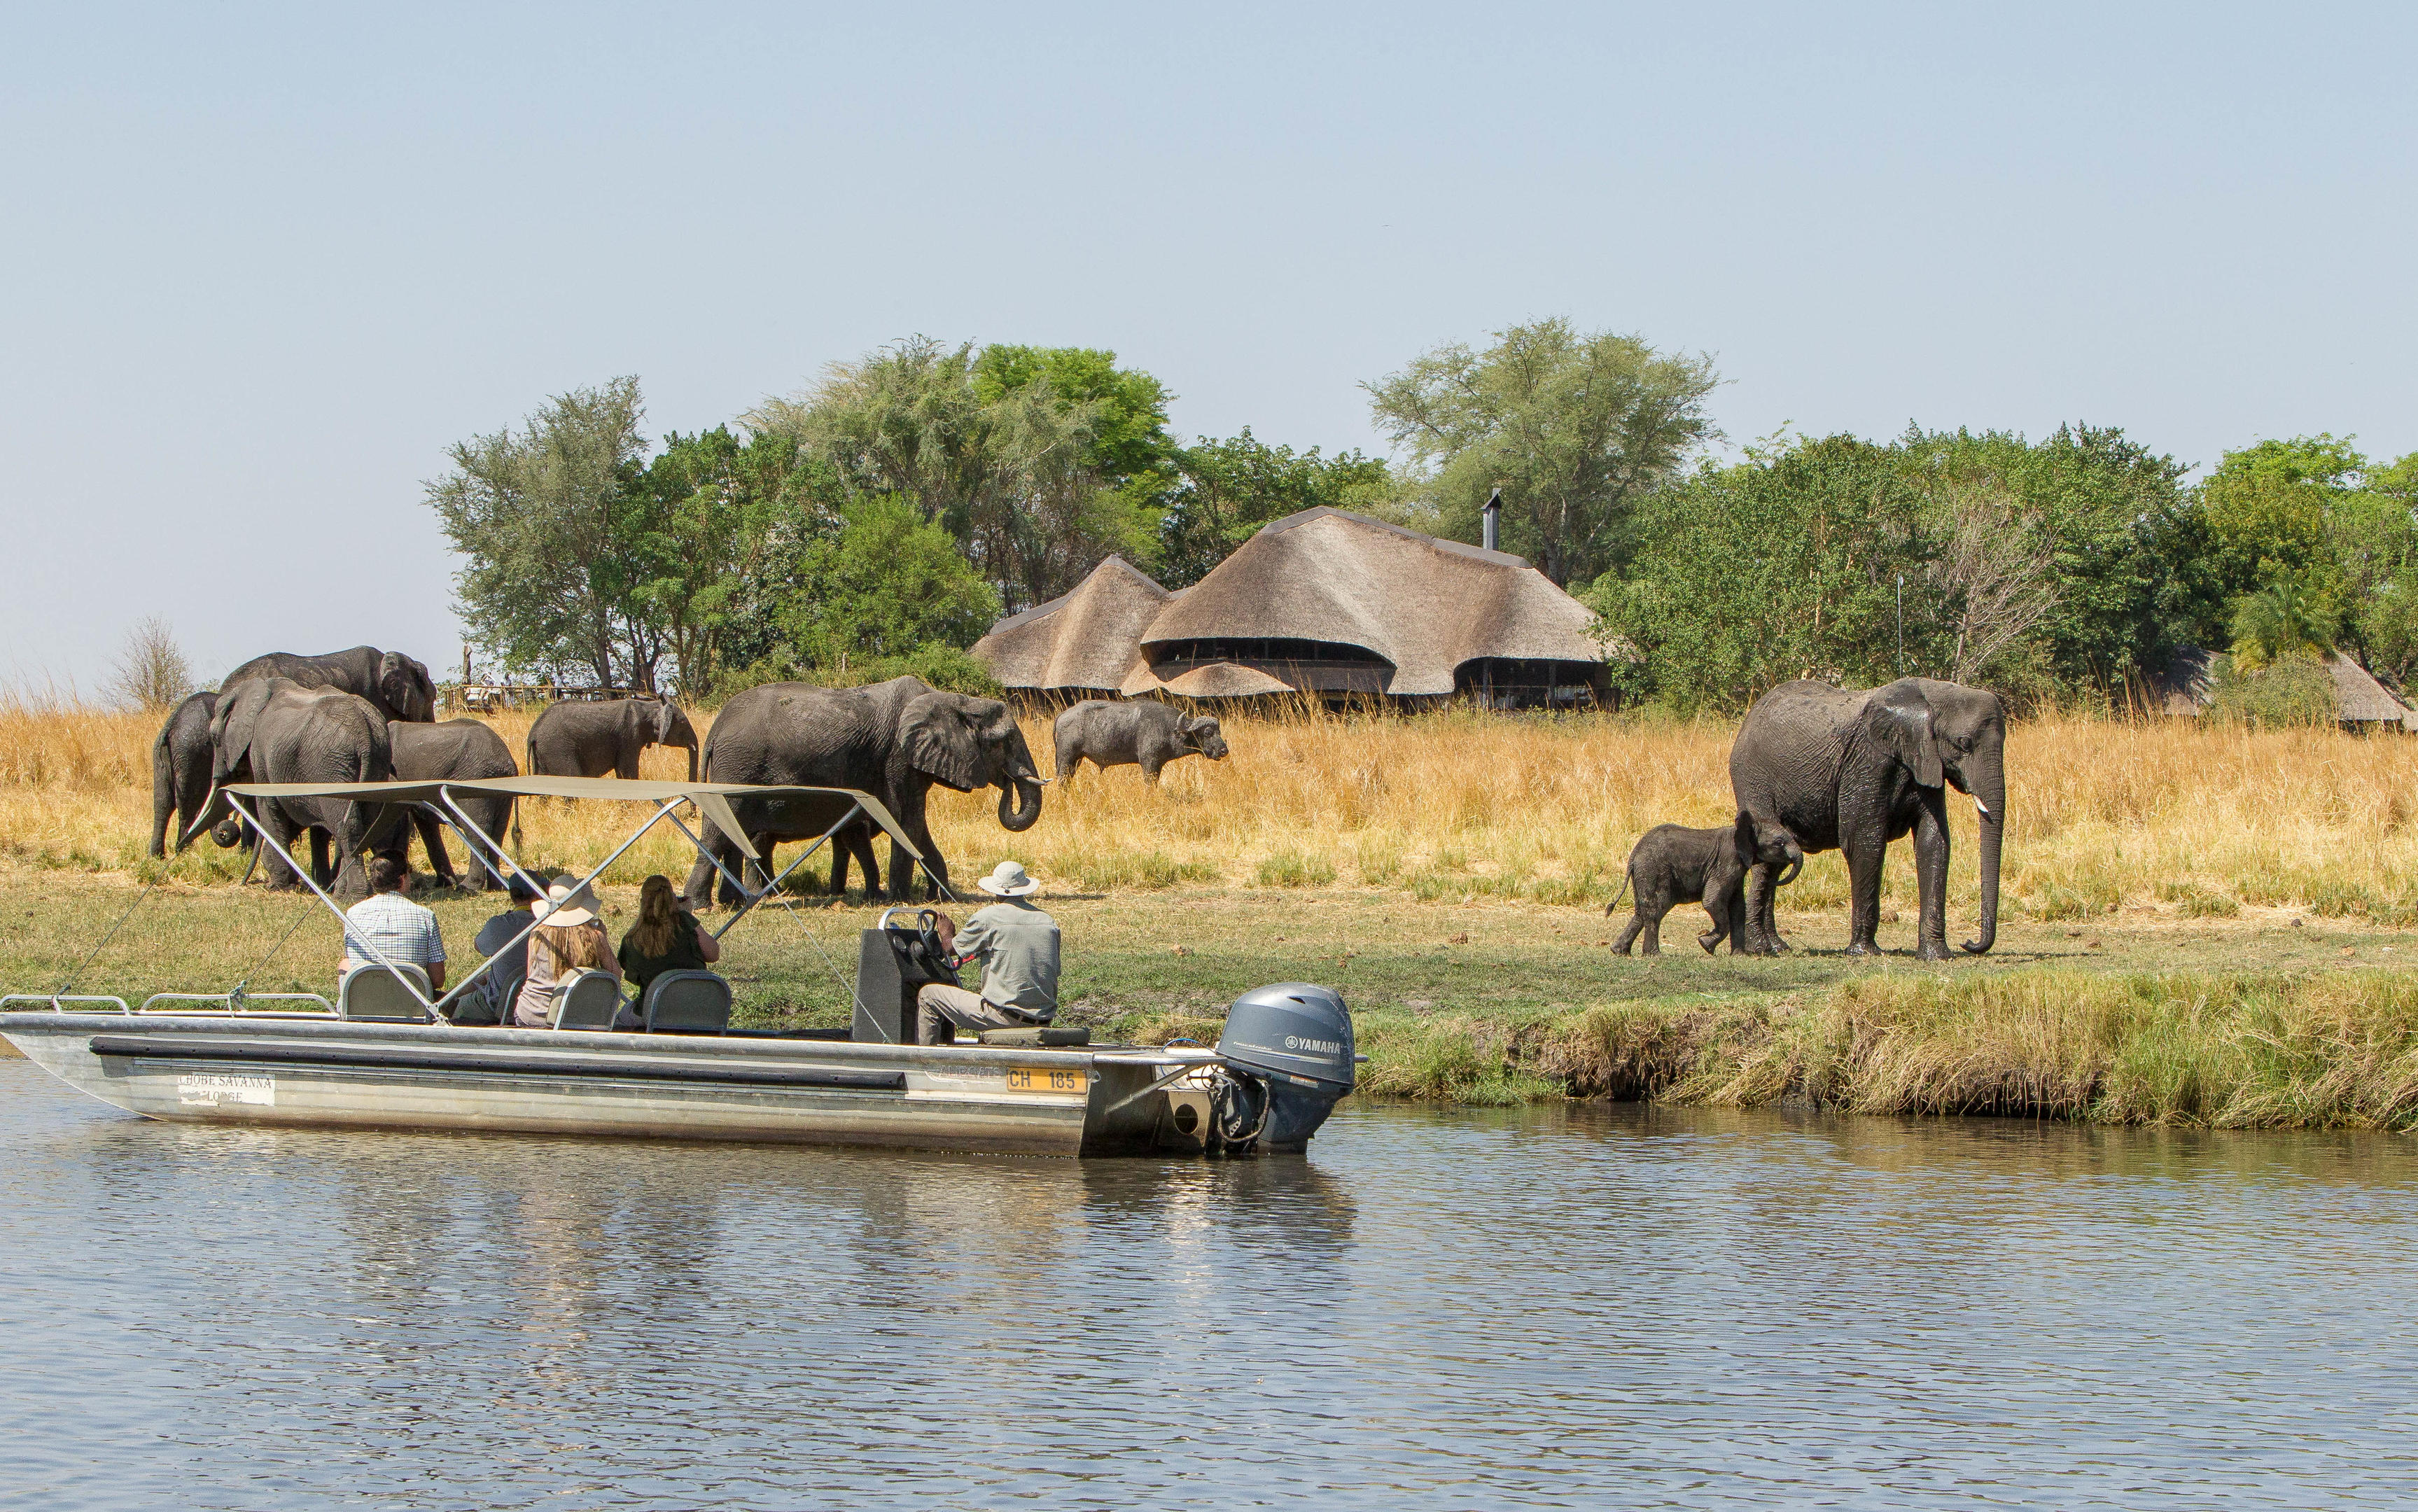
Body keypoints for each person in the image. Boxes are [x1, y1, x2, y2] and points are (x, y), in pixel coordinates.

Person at [916, 861, 1059, 1046]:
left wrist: (946, 933)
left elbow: (950, 949)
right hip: (1044, 1017)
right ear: (1024, 888)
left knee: (928, 995)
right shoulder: (1048, 922)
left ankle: (925, 1063)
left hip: (1003, 1017)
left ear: (996, 889)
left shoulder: (988, 917)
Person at [512, 876, 624, 1028]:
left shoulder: (537, 933)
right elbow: (615, 974)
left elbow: (531, 973)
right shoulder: (593, 937)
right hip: (575, 1016)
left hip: (530, 1013)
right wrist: (603, 938)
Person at [339, 856, 446, 993]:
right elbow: (438, 980)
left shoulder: (353, 913)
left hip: (364, 1005)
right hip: (411, 1006)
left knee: (345, 963)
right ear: (402, 879)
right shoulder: (426, 916)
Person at [456, 872, 544, 1024]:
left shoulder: (498, 925)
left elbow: (479, 946)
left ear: (512, 896)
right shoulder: (552, 927)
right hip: (538, 1005)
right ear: (538, 893)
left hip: (498, 1006)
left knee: (456, 1006)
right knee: (484, 978)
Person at [617, 874, 720, 996]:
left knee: (624, 1013)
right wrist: (685, 914)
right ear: (673, 899)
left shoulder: (633, 939)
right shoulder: (686, 922)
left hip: (653, 1010)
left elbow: (630, 974)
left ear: (642, 902)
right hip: (694, 1005)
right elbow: (713, 954)